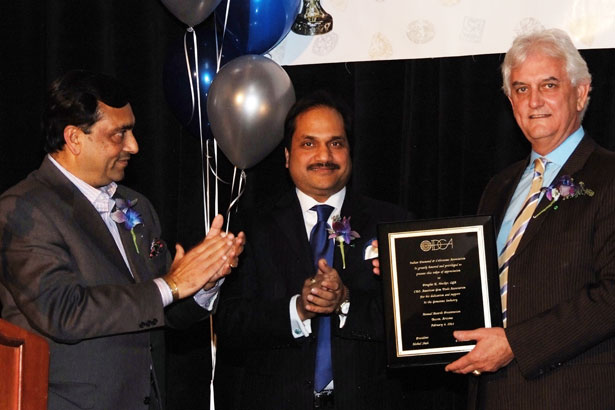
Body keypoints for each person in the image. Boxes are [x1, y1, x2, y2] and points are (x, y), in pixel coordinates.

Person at [0, 70, 245, 410]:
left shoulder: (134, 204)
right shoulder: (25, 208)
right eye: (119, 133)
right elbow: (63, 312)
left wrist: (204, 281)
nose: (134, 146)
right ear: (74, 138)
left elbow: (160, 307)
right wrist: (173, 284)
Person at [441, 29, 615, 408]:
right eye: (521, 89)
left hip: (572, 396)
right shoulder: (500, 185)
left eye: (549, 85)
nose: (534, 101)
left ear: (581, 93)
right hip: (492, 394)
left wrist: (516, 344)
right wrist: (407, 272)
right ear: (511, 101)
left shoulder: (609, 175)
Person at [213, 91, 408, 410]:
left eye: (336, 143)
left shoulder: (392, 223)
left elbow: (412, 321)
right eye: (309, 143)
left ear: (350, 151)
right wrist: (298, 309)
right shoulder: (251, 225)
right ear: (287, 155)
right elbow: (230, 323)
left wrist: (345, 300)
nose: (324, 155)